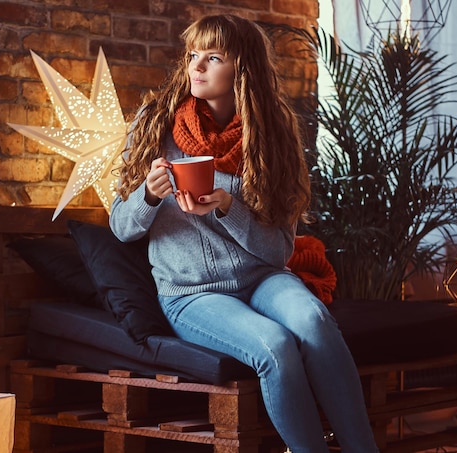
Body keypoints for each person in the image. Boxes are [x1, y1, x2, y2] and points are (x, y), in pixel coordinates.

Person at [109, 14, 379, 453]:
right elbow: (121, 228)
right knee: (274, 346)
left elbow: (277, 253)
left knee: (313, 321)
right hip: (192, 294)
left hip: (262, 278)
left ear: (242, 69)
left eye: (212, 57)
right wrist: (149, 196)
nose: (196, 66)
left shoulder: (271, 136)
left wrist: (228, 207)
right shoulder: (155, 124)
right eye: (193, 55)